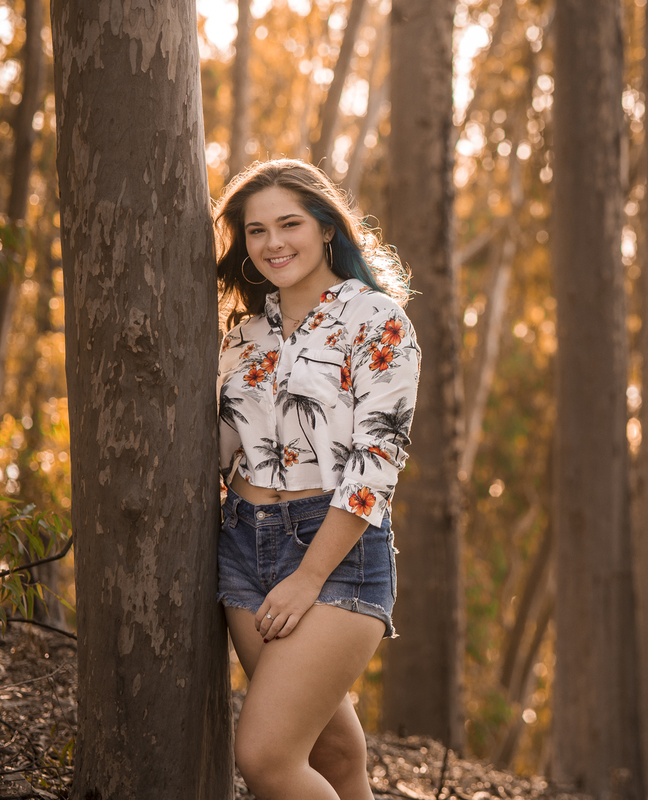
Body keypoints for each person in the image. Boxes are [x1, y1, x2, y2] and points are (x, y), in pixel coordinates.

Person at [213, 158, 418, 800]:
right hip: (244, 546)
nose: (273, 243)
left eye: (290, 224)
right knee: (329, 750)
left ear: (327, 227)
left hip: (335, 551)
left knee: (267, 756)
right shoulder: (241, 338)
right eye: (255, 231)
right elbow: (218, 452)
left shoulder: (376, 320)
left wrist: (308, 578)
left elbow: (374, 467)